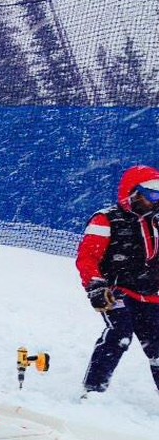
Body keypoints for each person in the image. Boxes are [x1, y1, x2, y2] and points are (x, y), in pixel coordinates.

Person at [75, 165, 159, 398]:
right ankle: (93, 390)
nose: (155, 201)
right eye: (151, 194)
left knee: (157, 344)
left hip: (149, 292)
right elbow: (87, 258)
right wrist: (96, 287)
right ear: (132, 193)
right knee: (120, 334)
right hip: (116, 290)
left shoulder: (155, 222)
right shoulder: (107, 219)